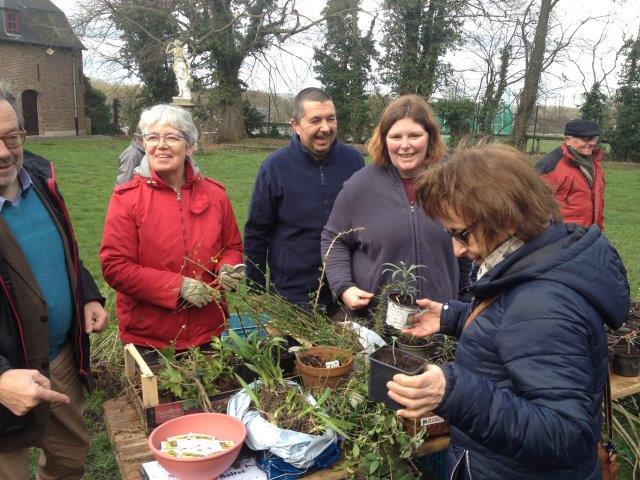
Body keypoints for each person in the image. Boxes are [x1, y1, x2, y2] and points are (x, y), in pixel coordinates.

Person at [387, 143, 629, 479]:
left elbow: (566, 435)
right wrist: (452, 316)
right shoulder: (533, 261)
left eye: (461, 234)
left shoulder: (545, 302)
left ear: (505, 219)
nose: (456, 249)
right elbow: (515, 329)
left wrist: (455, 391)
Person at [0, 83, 109, 479]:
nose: (3, 152)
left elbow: (64, 250)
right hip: (6, 376)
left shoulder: (39, 177)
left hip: (58, 358)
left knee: (69, 461)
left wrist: (87, 294)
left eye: (11, 137)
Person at [100, 104, 243, 352]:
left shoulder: (215, 194)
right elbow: (115, 267)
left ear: (190, 146)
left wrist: (228, 267)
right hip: (150, 336)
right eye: (152, 138)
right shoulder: (127, 199)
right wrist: (177, 287)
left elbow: (232, 247)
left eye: (172, 138)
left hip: (208, 330)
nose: (161, 145)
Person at [321, 95, 460, 318]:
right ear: (384, 140)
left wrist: (463, 305)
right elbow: (334, 239)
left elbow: (468, 245)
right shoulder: (361, 186)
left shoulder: (452, 183)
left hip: (438, 320)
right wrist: (344, 286)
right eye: (396, 136)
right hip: (375, 321)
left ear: (430, 137)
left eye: (414, 135)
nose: (405, 145)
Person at [244, 88, 364, 314]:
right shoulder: (274, 167)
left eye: (331, 119)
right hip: (292, 294)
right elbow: (256, 232)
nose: (325, 128)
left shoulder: (353, 161)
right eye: (315, 120)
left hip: (345, 290)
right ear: (296, 125)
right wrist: (255, 288)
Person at [536, 119, 605, 229]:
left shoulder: (594, 163)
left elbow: (597, 200)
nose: (592, 143)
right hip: (562, 235)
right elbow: (534, 205)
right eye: (586, 139)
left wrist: (598, 230)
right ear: (568, 140)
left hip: (589, 233)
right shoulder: (551, 165)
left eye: (594, 138)